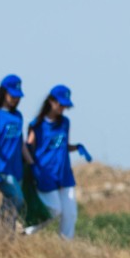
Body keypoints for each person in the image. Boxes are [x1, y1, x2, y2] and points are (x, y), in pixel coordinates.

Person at [25, 84, 90, 239]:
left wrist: (77, 147)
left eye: (65, 106)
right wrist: (32, 168)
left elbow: (63, 146)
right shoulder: (37, 125)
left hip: (64, 174)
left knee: (70, 214)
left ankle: (65, 247)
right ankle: (26, 233)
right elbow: (28, 147)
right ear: (51, 101)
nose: (63, 108)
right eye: (60, 104)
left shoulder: (65, 123)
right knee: (54, 210)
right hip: (45, 174)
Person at [0, 75, 33, 231]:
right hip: (0, 168)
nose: (16, 99)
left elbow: (20, 142)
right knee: (17, 198)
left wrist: (31, 163)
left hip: (16, 168)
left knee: (11, 203)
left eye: (18, 97)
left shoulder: (18, 117)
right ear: (3, 93)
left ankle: (4, 236)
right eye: (12, 95)